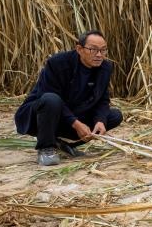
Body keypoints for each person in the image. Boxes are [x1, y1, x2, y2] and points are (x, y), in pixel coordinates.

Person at [14, 30, 122, 166]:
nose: (99, 55)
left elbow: (102, 99)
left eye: (103, 50)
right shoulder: (58, 63)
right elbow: (45, 95)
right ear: (79, 49)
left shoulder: (105, 68)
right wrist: (76, 123)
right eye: (93, 50)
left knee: (114, 116)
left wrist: (100, 120)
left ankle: (63, 144)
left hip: (72, 114)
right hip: (41, 116)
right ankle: (46, 148)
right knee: (51, 99)